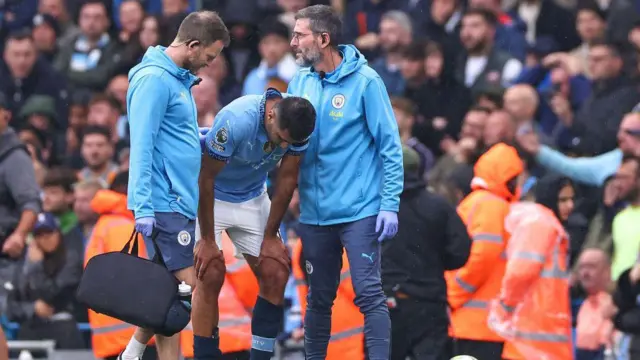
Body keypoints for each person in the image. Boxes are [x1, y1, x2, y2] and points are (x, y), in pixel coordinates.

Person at [287, 5, 404, 360]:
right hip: (314, 212)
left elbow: (390, 147)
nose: (292, 42)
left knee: (369, 294)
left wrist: (389, 203)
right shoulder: (300, 82)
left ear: (323, 39)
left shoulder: (366, 82)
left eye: (299, 35)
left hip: (359, 210)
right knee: (318, 298)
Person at [123, 10, 230, 360]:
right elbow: (141, 142)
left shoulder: (176, 79)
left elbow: (169, 135)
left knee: (165, 294)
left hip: (177, 202)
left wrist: (195, 139)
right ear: (194, 45)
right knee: (196, 289)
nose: (208, 65)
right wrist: (141, 205)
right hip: (163, 203)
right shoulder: (154, 80)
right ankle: (134, 350)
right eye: (209, 57)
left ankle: (135, 353)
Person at [197, 88, 316, 360]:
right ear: (271, 115)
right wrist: (206, 239)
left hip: (252, 195)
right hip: (211, 194)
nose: (283, 146)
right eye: (280, 139)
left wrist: (272, 234)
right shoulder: (236, 119)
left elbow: (287, 180)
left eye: (290, 143)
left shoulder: (298, 122)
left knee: (276, 272)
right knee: (210, 272)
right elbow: (205, 178)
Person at [384, 146, 471, 360]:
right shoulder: (439, 206)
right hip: (429, 304)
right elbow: (460, 252)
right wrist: (434, 262)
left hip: (387, 302)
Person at [447, 143, 524, 360]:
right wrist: (453, 295)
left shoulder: (476, 203)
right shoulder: (492, 205)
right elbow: (482, 257)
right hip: (480, 326)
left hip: (470, 323)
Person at [488, 174, 574, 360]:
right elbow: (520, 272)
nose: (570, 206)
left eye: (571, 199)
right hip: (532, 339)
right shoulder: (540, 223)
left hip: (539, 338)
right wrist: (505, 307)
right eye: (563, 200)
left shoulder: (543, 223)